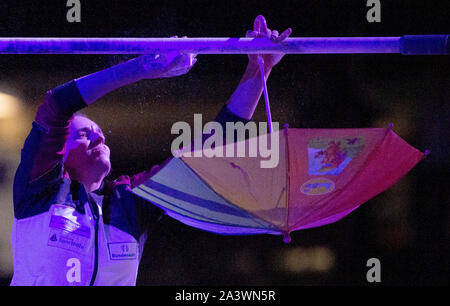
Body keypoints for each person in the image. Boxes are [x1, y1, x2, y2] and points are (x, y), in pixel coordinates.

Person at [10, 15, 292, 286]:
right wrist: (144, 67)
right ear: (58, 153)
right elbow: (58, 105)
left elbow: (206, 154)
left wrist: (259, 69)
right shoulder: (38, 190)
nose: (99, 136)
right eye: (85, 134)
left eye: (100, 133)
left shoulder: (130, 201)